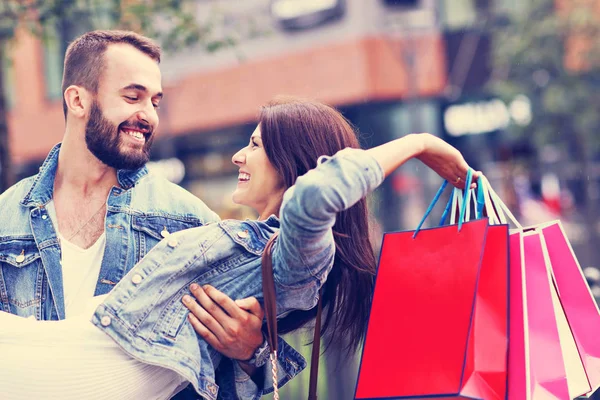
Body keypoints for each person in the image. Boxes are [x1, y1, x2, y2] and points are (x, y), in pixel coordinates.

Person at [0, 97, 475, 400]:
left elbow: (315, 197)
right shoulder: (245, 240)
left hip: (93, 368)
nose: (238, 156)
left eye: (254, 145)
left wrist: (419, 142)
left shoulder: (300, 255)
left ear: (294, 163)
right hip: (79, 351)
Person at [0, 30, 290, 399]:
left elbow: (223, 377)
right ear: (77, 100)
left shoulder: (191, 223)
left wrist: (250, 352)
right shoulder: (5, 221)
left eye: (155, 101)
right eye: (132, 97)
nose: (148, 116)